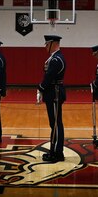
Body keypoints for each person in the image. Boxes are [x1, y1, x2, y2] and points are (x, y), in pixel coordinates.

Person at [37, 35, 66, 163]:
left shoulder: (56, 59)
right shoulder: (55, 58)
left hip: (55, 93)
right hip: (53, 93)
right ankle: (54, 150)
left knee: (55, 124)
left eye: (46, 44)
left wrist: (40, 88)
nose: (45, 46)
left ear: (52, 44)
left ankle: (57, 152)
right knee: (54, 123)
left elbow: (49, 77)